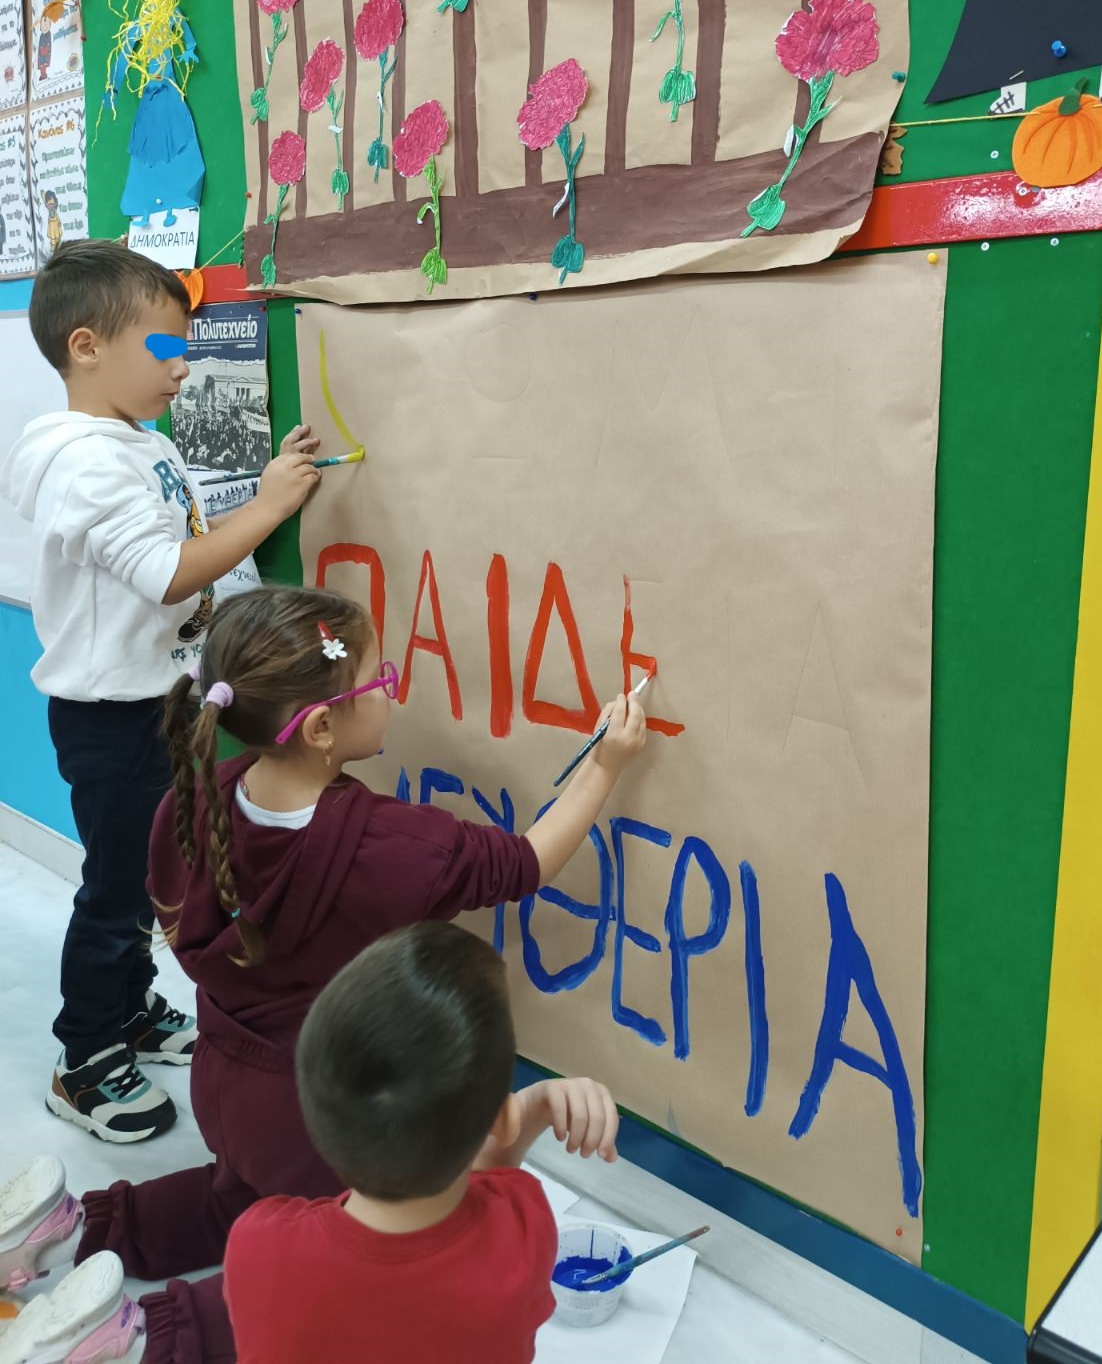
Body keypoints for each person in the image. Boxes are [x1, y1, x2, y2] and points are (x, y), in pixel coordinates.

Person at [0, 583, 646, 1364]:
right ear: (320, 727)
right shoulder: (391, 848)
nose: (392, 690)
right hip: (320, 1112)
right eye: (381, 679)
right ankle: (138, 1338)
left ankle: (67, 1231)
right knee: (330, 1274)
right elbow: (528, 862)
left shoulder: (196, 801)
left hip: (224, 1079)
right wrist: (606, 763)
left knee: (234, 1198)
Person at [0, 241, 322, 1146]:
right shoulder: (85, 461)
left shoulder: (137, 442)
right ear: (88, 346)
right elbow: (168, 573)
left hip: (163, 704)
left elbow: (176, 540)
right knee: (117, 891)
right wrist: (269, 506)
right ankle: (85, 1055)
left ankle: (133, 1011)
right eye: (165, 348)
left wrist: (257, 497)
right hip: (114, 721)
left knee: (154, 879)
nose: (183, 367)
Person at [227, 923, 617, 1362]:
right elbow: (495, 1186)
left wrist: (512, 1113)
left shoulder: (257, 1245)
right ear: (502, 1120)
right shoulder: (522, 1239)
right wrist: (531, 1112)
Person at [102, 0, 204, 229]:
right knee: (147, 151)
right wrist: (113, 86)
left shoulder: (166, 11)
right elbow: (125, 50)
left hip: (168, 89)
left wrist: (188, 48)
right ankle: (145, 206)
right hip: (152, 93)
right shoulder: (144, 17)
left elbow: (181, 27)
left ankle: (177, 202)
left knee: (176, 144)